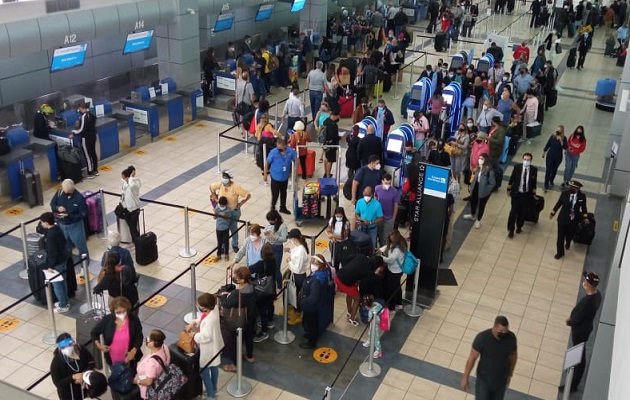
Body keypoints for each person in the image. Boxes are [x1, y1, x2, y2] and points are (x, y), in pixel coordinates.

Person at [559, 271, 602, 393]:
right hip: (585, 329)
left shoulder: (589, 302)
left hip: (580, 332)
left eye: (586, 281)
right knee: (579, 354)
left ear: (589, 284)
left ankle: (573, 385)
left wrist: (570, 321)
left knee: (579, 357)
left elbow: (579, 317)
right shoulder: (597, 295)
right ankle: (574, 376)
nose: (584, 282)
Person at [461, 316, 518, 399]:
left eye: (506, 331)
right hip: (484, 380)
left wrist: (510, 374)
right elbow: (472, 358)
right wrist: (465, 378)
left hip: (501, 380)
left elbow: (513, 357)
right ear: (494, 327)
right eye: (501, 331)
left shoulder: (511, 338)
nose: (503, 334)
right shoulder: (482, 338)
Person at [185, 293, 224, 397]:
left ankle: (211, 395)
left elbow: (205, 337)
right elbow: (203, 318)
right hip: (216, 346)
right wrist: (194, 323)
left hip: (209, 349)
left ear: (205, 307)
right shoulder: (213, 309)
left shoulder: (210, 321)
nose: (198, 306)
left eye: (200, 305)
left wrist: (194, 335)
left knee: (203, 370)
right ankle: (214, 388)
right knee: (214, 367)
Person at [91, 296, 144, 373]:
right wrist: (99, 346)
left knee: (130, 377)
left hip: (130, 359)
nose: (122, 314)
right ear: (113, 312)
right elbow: (94, 332)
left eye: (124, 311)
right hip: (113, 359)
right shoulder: (107, 320)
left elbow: (139, 337)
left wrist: (133, 351)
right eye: (118, 312)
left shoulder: (134, 320)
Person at [336, 254, 385, 326]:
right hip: (346, 282)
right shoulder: (369, 272)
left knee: (349, 294)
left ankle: (350, 311)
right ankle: (351, 319)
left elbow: (348, 259)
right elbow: (364, 285)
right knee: (357, 298)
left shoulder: (362, 257)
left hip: (339, 275)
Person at [209, 171, 251, 253]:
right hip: (222, 211)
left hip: (233, 211)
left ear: (230, 178)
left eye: (226, 177)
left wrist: (241, 203)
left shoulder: (236, 187)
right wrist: (213, 194)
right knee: (223, 229)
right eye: (223, 177)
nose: (224, 179)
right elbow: (211, 187)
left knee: (233, 228)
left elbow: (248, 194)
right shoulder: (220, 184)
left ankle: (235, 244)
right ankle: (223, 245)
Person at [299, 254, 335, 349]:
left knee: (312, 324)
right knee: (311, 322)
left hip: (312, 306)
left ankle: (311, 342)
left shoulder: (316, 280)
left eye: (315, 264)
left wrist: (302, 302)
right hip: (318, 304)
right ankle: (310, 335)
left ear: (320, 265)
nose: (312, 265)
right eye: (312, 263)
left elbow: (313, 298)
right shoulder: (323, 273)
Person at [39, 212, 71, 313]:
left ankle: (63, 304)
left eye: (42, 222)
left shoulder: (51, 236)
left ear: (47, 223)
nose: (41, 224)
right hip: (63, 258)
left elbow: (53, 253)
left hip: (57, 263)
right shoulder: (57, 228)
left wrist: (50, 266)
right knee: (63, 281)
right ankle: (65, 301)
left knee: (57, 284)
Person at [50, 179, 89, 260]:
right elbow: (52, 203)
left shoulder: (79, 198)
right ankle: (68, 263)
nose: (66, 193)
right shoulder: (60, 192)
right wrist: (57, 208)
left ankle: (84, 266)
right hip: (62, 224)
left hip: (75, 226)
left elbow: (83, 214)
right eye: (65, 191)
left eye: (68, 192)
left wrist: (69, 216)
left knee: (81, 246)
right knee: (66, 246)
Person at [550, 180, 588, 259]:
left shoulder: (582, 197)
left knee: (570, 234)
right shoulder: (565, 194)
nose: (571, 189)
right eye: (571, 187)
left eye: (574, 188)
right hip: (563, 218)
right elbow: (559, 203)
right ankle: (560, 252)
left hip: (574, 219)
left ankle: (568, 242)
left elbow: (584, 208)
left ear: (578, 189)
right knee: (560, 236)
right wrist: (553, 213)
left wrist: (585, 218)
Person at [50, 333, 95, 400]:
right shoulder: (56, 363)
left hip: (84, 386)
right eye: (63, 347)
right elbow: (57, 382)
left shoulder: (81, 349)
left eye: (70, 345)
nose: (67, 348)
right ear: (59, 348)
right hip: (68, 392)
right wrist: (73, 377)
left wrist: (83, 375)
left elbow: (91, 362)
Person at [250, 243, 277, 343]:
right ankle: (270, 321)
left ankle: (264, 331)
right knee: (270, 305)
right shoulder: (273, 261)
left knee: (262, 311)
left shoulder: (261, 264)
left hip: (262, 290)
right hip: (271, 287)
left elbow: (250, 269)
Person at [507, 153, 538, 238]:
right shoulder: (517, 167)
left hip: (526, 195)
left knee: (522, 212)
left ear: (530, 161)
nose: (526, 161)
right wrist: (508, 189)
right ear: (522, 159)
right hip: (516, 193)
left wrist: (534, 194)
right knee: (513, 211)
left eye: (528, 160)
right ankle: (511, 230)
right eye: (525, 159)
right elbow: (512, 179)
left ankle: (519, 226)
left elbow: (534, 183)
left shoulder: (534, 170)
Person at [133, 329, 171, 399]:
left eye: (149, 339)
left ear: (154, 343)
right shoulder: (164, 347)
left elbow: (149, 382)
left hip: (150, 391)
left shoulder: (151, 363)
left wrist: (137, 381)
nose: (147, 340)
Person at [463, 153, 496, 229]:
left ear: (485, 160)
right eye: (479, 158)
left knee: (481, 205)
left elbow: (492, 183)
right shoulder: (478, 168)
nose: (480, 160)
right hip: (476, 186)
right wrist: (471, 186)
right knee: (473, 201)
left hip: (484, 190)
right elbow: (474, 178)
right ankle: (472, 214)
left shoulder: (489, 170)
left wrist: (487, 190)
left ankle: (478, 220)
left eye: (482, 159)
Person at [264, 138, 296, 214]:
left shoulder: (290, 152)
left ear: (285, 145)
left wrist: (295, 171)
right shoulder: (273, 152)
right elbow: (267, 163)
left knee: (283, 193)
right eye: (277, 145)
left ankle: (283, 207)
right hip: (275, 177)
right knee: (275, 194)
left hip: (285, 176)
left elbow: (296, 160)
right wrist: (265, 175)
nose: (278, 148)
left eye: (280, 146)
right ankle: (272, 207)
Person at [285, 228, 309, 325]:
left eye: (291, 239)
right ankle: (292, 308)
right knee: (292, 293)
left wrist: (289, 262)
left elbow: (298, 269)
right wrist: (289, 250)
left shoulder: (301, 251)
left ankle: (297, 313)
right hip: (294, 274)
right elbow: (295, 250)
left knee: (297, 296)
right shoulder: (298, 247)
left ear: (295, 239)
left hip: (298, 276)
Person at [377, 229, 406, 312]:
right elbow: (388, 246)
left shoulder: (397, 250)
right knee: (397, 287)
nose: (390, 240)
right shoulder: (398, 244)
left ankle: (392, 308)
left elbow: (390, 260)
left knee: (392, 289)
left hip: (395, 272)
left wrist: (381, 257)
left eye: (391, 239)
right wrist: (381, 249)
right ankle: (399, 303)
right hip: (393, 270)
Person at [69, 103, 98, 179]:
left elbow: (82, 129)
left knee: (87, 156)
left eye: (80, 109)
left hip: (86, 139)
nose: (79, 110)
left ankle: (90, 173)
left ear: (82, 108)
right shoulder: (92, 115)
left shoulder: (84, 117)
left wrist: (73, 133)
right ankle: (95, 170)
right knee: (93, 153)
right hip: (93, 137)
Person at [263, 210, 288, 289]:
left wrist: (274, 236)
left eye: (271, 220)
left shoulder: (283, 226)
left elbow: (284, 239)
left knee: (276, 268)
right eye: (269, 220)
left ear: (276, 219)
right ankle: (271, 285)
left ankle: (280, 286)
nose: (270, 222)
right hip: (269, 246)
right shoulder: (268, 225)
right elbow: (265, 231)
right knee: (268, 267)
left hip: (277, 247)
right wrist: (266, 234)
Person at [374, 173, 400, 247]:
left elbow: (396, 205)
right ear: (382, 181)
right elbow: (375, 197)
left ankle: (384, 252)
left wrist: (393, 218)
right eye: (386, 183)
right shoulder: (377, 188)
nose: (387, 185)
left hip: (389, 218)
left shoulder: (394, 191)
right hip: (379, 217)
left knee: (386, 237)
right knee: (378, 234)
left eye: (389, 183)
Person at [120, 165, 142, 243]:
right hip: (127, 209)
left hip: (134, 209)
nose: (122, 179)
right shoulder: (125, 184)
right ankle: (135, 240)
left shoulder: (134, 183)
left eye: (123, 177)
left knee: (133, 227)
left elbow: (133, 186)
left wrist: (131, 177)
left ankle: (137, 242)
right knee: (131, 227)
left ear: (127, 177)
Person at [542, 125, 568, 190]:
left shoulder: (564, 138)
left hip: (558, 157)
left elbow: (565, 147)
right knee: (548, 170)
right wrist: (544, 152)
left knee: (554, 169)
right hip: (550, 155)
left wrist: (561, 141)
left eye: (559, 130)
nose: (558, 131)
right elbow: (548, 144)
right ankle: (546, 184)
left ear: (562, 131)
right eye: (557, 130)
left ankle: (551, 180)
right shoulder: (552, 137)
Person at [235, 71, 255, 137]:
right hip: (247, 104)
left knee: (241, 117)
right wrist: (252, 102)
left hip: (240, 104)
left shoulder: (239, 84)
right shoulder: (249, 85)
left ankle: (243, 132)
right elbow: (252, 95)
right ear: (248, 77)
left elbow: (236, 94)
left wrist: (236, 103)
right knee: (247, 118)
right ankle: (247, 131)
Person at [322, 109, 340, 178]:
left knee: (326, 158)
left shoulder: (326, 121)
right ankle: (328, 175)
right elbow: (333, 136)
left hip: (325, 143)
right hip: (332, 145)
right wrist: (339, 137)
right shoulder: (333, 125)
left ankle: (326, 172)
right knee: (330, 160)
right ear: (335, 116)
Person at [214, 196, 233, 261]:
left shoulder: (228, 210)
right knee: (219, 242)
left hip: (225, 228)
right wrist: (216, 213)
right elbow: (215, 217)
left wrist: (223, 215)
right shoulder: (217, 208)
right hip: (218, 228)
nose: (221, 207)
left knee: (226, 242)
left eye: (223, 206)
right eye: (220, 205)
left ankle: (226, 254)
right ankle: (218, 255)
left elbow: (228, 219)